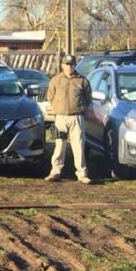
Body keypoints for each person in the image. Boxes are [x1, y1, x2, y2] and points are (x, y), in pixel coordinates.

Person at [44, 54, 92, 184]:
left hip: (77, 117)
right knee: (59, 145)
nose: (69, 67)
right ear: (62, 65)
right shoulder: (55, 80)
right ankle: (56, 171)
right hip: (61, 118)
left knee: (78, 145)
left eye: (71, 64)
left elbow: (88, 99)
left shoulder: (83, 81)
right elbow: (50, 97)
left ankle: (82, 174)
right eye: (67, 64)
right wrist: (57, 109)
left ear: (75, 65)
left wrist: (81, 109)